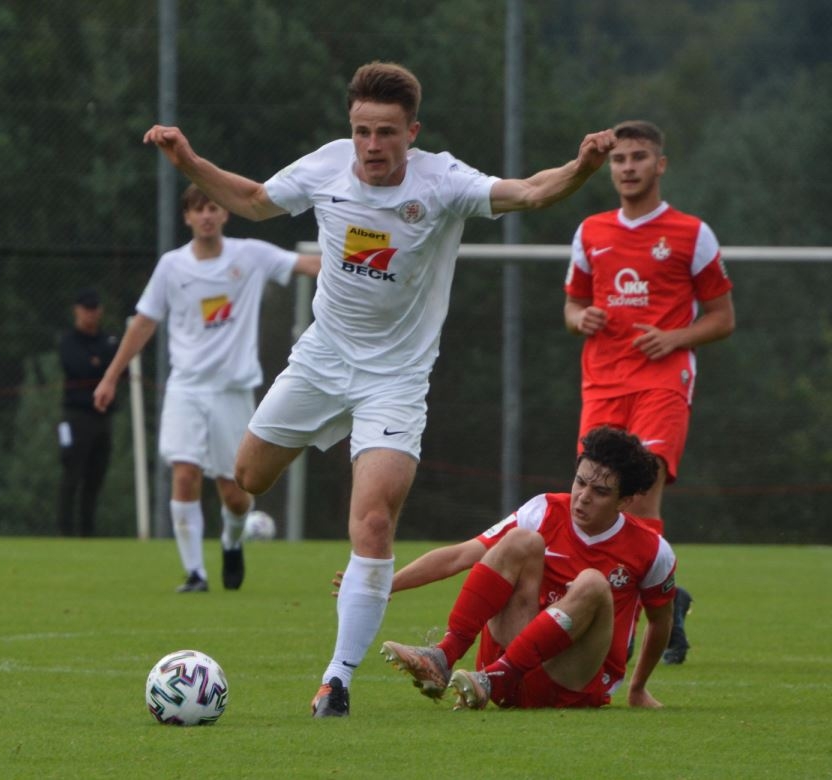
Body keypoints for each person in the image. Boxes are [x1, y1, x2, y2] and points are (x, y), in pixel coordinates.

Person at [144, 60, 617, 717]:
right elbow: (252, 200)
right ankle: (238, 533)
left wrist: (581, 168)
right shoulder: (326, 167)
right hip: (321, 360)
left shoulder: (442, 181)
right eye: (362, 131)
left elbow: (531, 192)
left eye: (386, 132)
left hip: (395, 380)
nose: (372, 145)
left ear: (411, 133)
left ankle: (336, 681)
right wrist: (188, 160)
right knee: (248, 477)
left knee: (371, 522)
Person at [564, 120, 735, 664]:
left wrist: (674, 337)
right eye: (619, 159)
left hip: (663, 380)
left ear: (659, 165)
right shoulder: (591, 231)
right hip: (602, 382)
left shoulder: (691, 233)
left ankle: (629, 625)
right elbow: (571, 305)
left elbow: (723, 318)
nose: (628, 167)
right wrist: (580, 317)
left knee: (640, 495)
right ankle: (665, 599)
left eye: (639, 157)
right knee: (597, 496)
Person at [93, 184, 319, 593]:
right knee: (184, 474)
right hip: (185, 388)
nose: (207, 216)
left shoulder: (250, 255)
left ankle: (232, 540)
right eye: (198, 210)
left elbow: (307, 264)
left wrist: (365, 262)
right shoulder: (171, 266)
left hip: (232, 392)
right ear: (187, 217)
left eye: (213, 207)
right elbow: (143, 322)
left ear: (225, 213)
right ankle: (195, 573)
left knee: (235, 493)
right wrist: (111, 376)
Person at [378, 426, 675, 710]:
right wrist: (385, 585)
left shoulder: (652, 549)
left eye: (600, 491)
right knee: (520, 539)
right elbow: (462, 555)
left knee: (593, 583)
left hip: (570, 683)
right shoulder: (544, 510)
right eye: (580, 482)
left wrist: (637, 688)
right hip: (507, 667)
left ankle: (498, 676)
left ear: (624, 501)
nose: (583, 497)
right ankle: (445, 657)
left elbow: (660, 621)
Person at [57, 287, 119, 537]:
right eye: (86, 309)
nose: (91, 314)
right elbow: (78, 367)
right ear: (77, 310)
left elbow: (117, 368)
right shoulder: (68, 341)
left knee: (95, 477)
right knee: (72, 474)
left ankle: (87, 532)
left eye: (94, 309)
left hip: (103, 417)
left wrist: (100, 366)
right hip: (76, 416)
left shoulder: (108, 340)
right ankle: (65, 531)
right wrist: (101, 366)